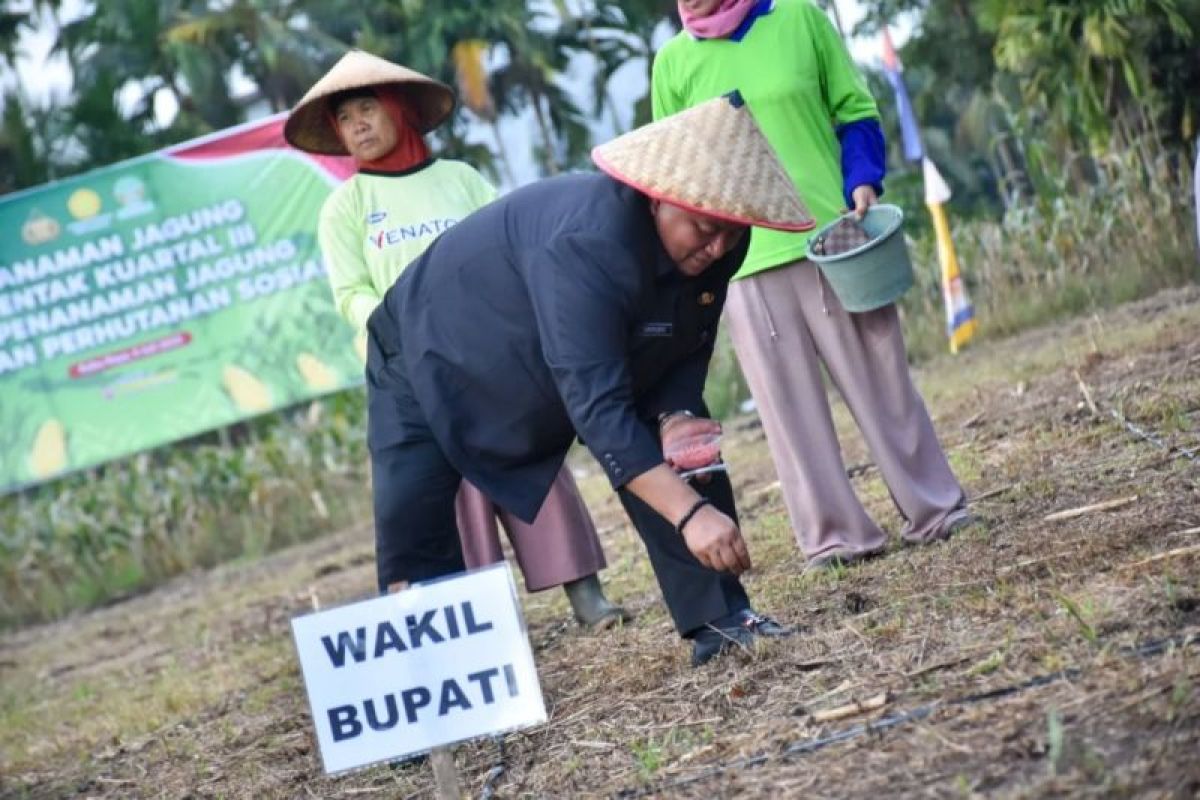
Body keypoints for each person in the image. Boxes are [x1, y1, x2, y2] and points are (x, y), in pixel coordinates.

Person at [359, 92, 809, 666]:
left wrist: (674, 416)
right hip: (423, 346)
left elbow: (683, 351)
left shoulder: (718, 246)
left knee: (683, 447)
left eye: (730, 229)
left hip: (538, 351)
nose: (717, 246)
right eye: (702, 226)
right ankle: (425, 703)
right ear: (656, 201)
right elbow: (600, 412)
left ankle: (721, 622)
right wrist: (693, 517)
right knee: (414, 528)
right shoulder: (587, 246)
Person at [284, 50, 626, 627]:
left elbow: (512, 252)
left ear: (399, 109)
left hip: (494, 358)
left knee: (533, 469)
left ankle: (587, 597)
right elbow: (351, 295)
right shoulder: (346, 208)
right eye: (345, 118)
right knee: (454, 502)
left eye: (368, 108)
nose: (359, 124)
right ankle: (491, 627)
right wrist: (410, 340)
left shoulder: (460, 180)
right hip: (413, 376)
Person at [652, 0, 970, 570]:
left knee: (884, 387)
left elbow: (855, 111)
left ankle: (936, 508)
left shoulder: (799, 17)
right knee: (789, 415)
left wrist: (864, 182)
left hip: (833, 238)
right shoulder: (673, 64)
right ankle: (835, 537)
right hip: (743, 266)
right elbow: (674, 182)